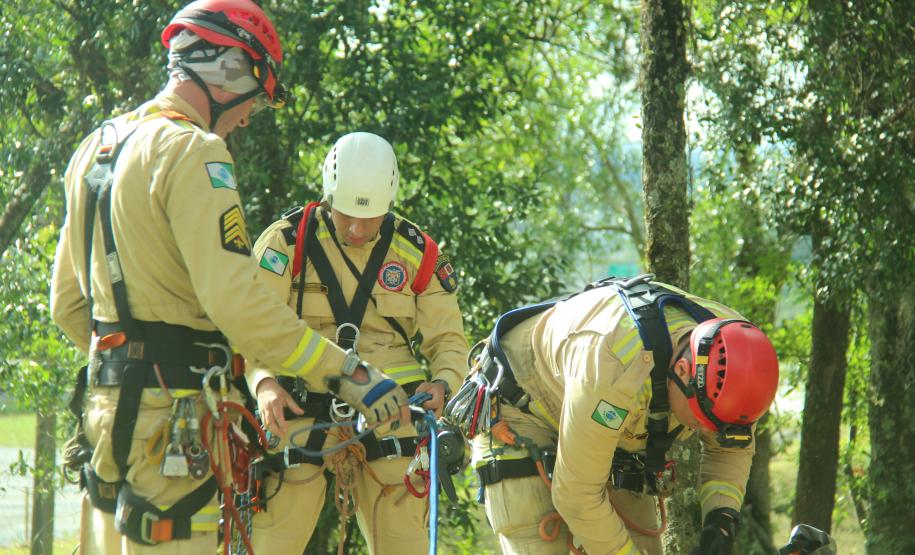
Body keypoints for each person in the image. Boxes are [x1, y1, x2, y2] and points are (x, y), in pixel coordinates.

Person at [50, 2, 408, 553]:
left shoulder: (97, 149)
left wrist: (131, 368)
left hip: (105, 407)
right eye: (255, 97)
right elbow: (235, 301)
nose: (247, 116)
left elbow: (68, 307)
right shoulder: (194, 151)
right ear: (228, 70)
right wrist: (349, 373)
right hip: (174, 423)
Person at [246, 132, 469, 554]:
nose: (356, 228)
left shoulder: (417, 254)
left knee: (405, 543)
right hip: (299, 406)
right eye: (346, 214)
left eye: (370, 219)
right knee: (273, 540)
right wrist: (263, 383)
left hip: (393, 411)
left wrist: (443, 382)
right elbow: (253, 327)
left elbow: (449, 339)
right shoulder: (287, 245)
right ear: (328, 198)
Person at [447, 275, 779, 555]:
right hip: (521, 409)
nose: (698, 431)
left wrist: (720, 520)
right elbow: (576, 495)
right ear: (682, 369)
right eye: (697, 421)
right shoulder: (614, 367)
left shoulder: (740, 356)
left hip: (604, 419)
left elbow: (728, 447)